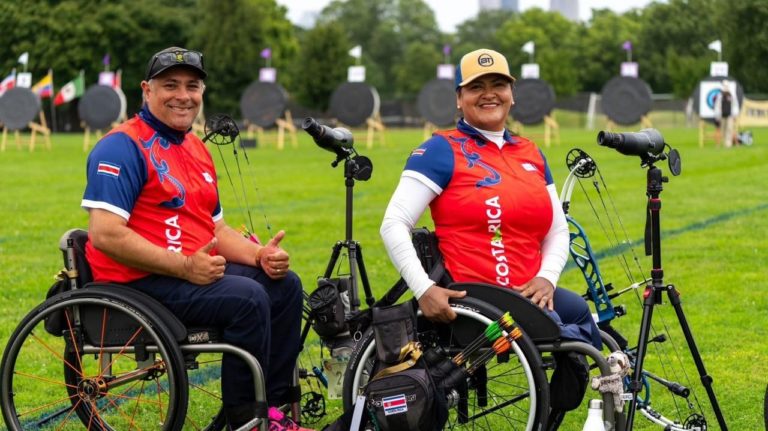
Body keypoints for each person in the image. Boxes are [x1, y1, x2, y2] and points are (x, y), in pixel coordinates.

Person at [81, 47, 312, 431]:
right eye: (170, 85)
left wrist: (259, 256)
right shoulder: (121, 146)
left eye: (192, 86)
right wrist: (186, 266)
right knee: (247, 299)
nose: (183, 95)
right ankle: (246, 421)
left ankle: (273, 409)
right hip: (136, 283)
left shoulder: (194, 148)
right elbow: (105, 235)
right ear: (146, 90)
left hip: (185, 274)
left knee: (284, 285)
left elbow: (216, 230)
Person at [380, 48, 602, 426]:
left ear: (512, 93)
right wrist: (423, 289)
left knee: (580, 312)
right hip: (479, 297)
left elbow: (557, 228)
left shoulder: (530, 151)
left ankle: (565, 402)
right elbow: (393, 223)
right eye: (476, 87)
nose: (489, 94)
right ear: (459, 98)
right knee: (576, 330)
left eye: (498, 84)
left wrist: (547, 277)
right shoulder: (440, 149)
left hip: (528, 295)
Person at [714, 80, 735, 148]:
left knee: (729, 129)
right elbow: (717, 106)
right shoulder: (720, 96)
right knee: (723, 129)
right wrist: (718, 115)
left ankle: (728, 143)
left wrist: (734, 114)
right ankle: (724, 142)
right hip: (722, 116)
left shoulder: (731, 95)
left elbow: (734, 105)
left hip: (730, 115)